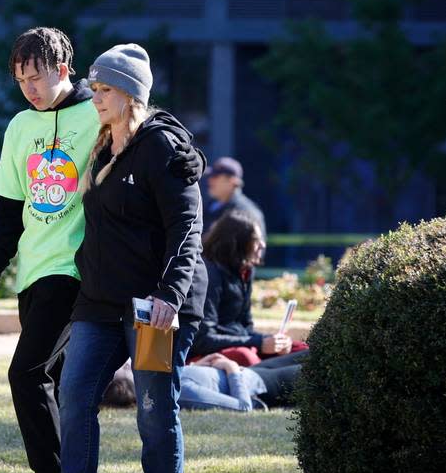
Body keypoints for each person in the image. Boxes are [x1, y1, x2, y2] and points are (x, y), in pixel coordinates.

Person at [17, 43, 207, 473]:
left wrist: (170, 294)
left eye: (104, 90)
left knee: (152, 403)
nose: (95, 98)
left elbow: (186, 228)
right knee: (74, 393)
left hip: (158, 308)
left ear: (131, 94)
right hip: (101, 302)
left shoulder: (163, 147)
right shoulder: (103, 145)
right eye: (95, 88)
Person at [0, 27, 116, 473]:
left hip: (75, 272)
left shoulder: (96, 113)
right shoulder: (18, 127)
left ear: (64, 68)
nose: (30, 88)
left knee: (25, 374)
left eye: (37, 76)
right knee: (56, 386)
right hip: (32, 273)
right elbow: (8, 209)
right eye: (20, 80)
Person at [190, 210, 306, 366]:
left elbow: (246, 326)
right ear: (237, 243)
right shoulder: (209, 273)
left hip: (237, 343)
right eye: (256, 241)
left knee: (301, 349)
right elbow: (203, 339)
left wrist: (272, 342)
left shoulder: (245, 271)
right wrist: (259, 343)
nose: (262, 245)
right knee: (247, 358)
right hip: (204, 354)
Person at [104, 353, 307, 412]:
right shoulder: (179, 393)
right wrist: (231, 369)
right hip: (263, 387)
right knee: (320, 363)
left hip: (256, 372)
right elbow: (243, 407)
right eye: (125, 368)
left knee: (311, 350)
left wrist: (199, 366)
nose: (128, 363)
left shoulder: (162, 382)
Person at [202, 156, 266, 250]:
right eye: (210, 176)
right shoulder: (209, 206)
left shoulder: (246, 212)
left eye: (215, 176)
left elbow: (254, 251)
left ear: (232, 181)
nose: (210, 180)